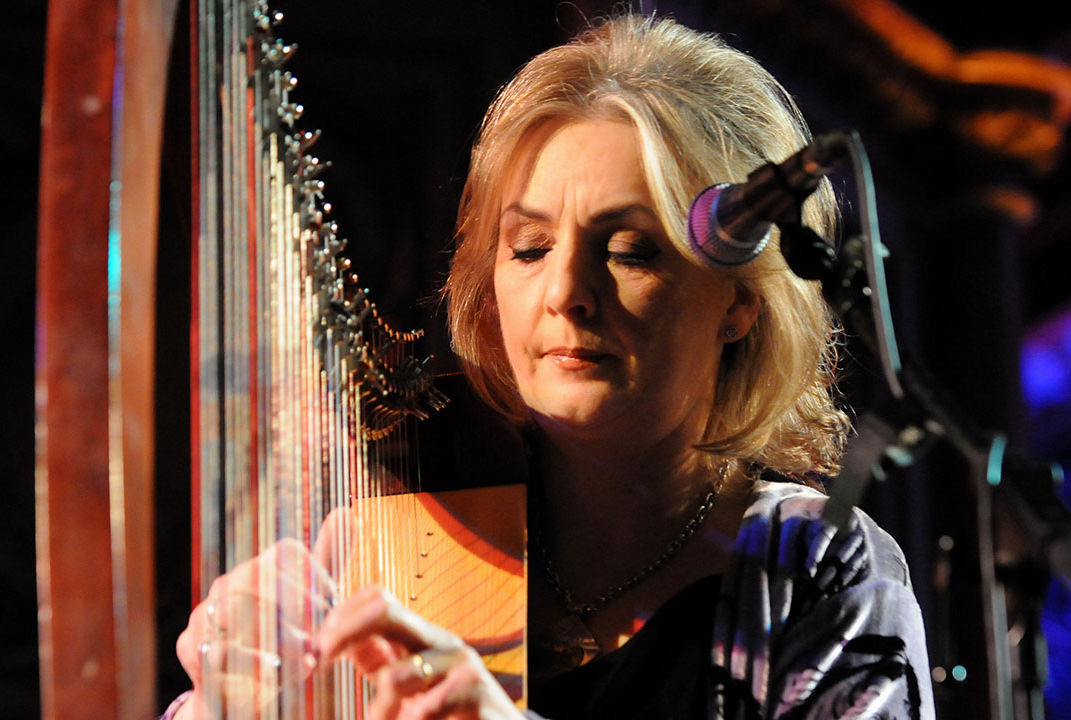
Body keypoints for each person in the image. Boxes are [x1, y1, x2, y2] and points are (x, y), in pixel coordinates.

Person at [168, 13, 934, 720]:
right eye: (530, 249)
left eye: (632, 251)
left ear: (739, 301)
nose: (566, 293)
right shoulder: (395, 533)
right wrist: (227, 700)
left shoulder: (823, 577)